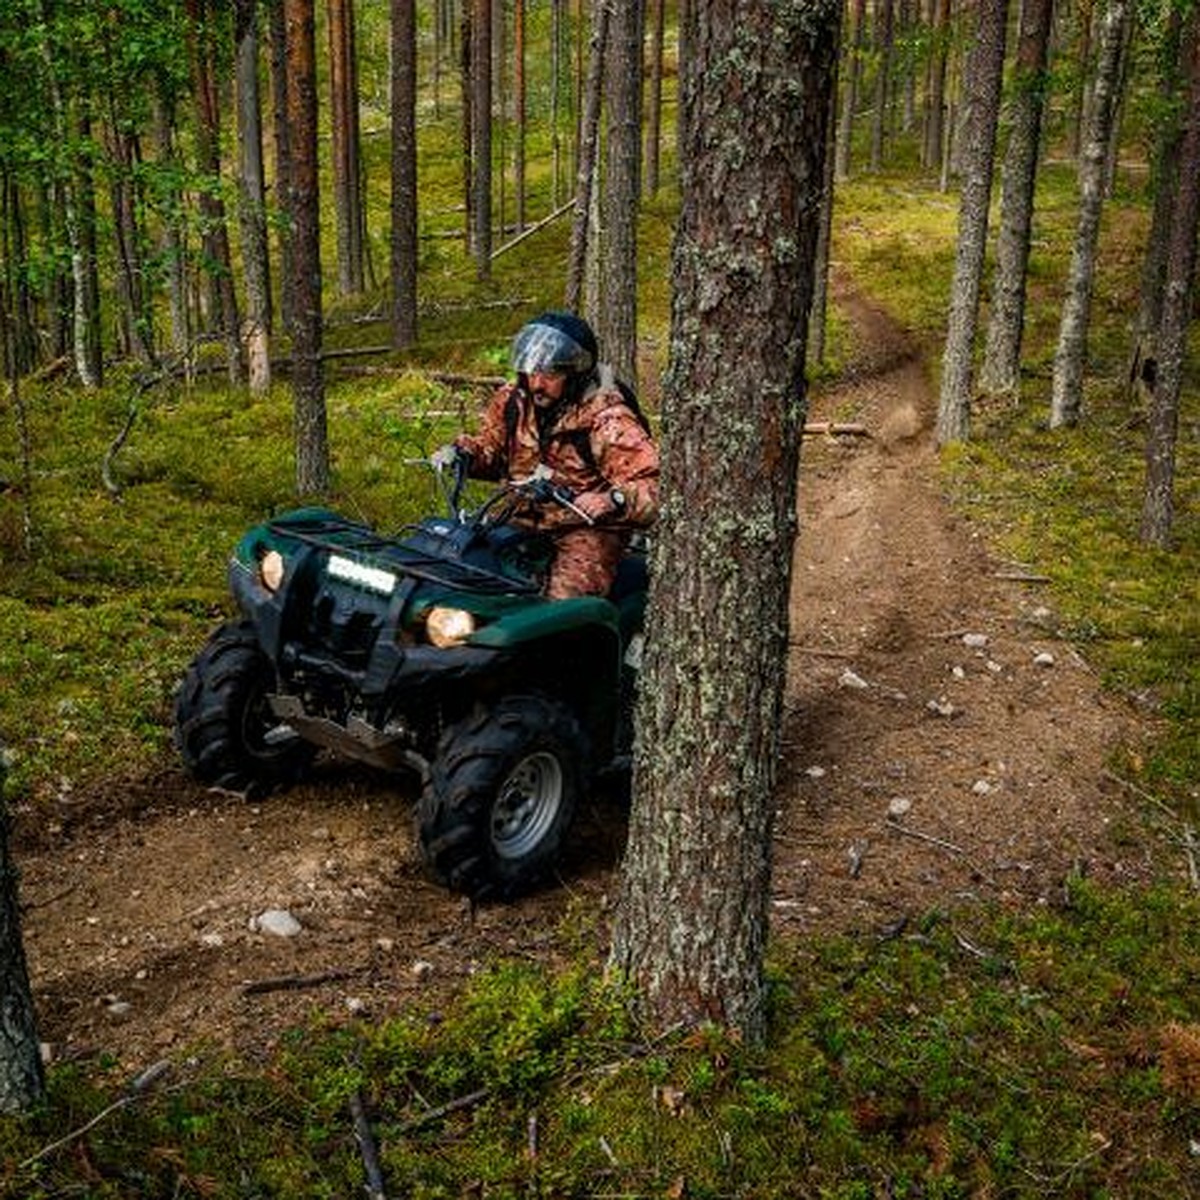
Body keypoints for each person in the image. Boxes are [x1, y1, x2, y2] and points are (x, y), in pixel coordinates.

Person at [435, 311, 659, 599]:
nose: (537, 383)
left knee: (562, 608)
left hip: (583, 530)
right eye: (532, 371)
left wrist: (612, 500)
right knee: (463, 569)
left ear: (575, 374)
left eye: (551, 374)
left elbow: (656, 487)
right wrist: (463, 454)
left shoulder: (608, 420)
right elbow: (492, 450)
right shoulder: (514, 401)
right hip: (518, 517)